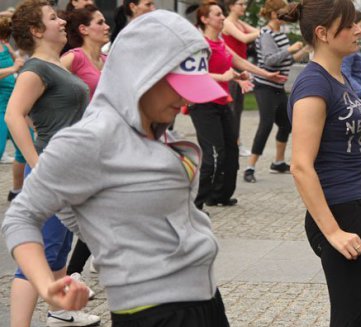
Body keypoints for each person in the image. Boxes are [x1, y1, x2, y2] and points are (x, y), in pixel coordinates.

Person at [3, 9, 233, 327]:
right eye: (178, 85)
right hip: (151, 313)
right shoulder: (92, 138)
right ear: (141, 74)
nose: (185, 101)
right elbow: (22, 215)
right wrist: (47, 287)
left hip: (205, 301)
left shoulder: (161, 130)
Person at [287, 0, 361, 324]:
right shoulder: (313, 84)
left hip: (360, 207)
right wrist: (333, 232)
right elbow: (300, 165)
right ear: (323, 33)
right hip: (338, 212)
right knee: (353, 317)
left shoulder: (341, 79)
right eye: (349, 23)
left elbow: (350, 154)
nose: (358, 29)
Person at [4, 1, 99, 326]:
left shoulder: (54, 65)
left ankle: (61, 313)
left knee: (57, 249)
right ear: (36, 30)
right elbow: (13, 115)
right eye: (53, 17)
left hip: (68, 170)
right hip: (51, 172)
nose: (62, 22)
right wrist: (38, 162)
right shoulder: (36, 69)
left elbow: (35, 118)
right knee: (38, 257)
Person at [189, 1, 285, 209]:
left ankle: (220, 195)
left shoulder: (221, 43)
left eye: (222, 14)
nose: (222, 17)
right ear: (204, 19)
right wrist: (222, 76)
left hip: (222, 103)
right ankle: (196, 205)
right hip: (203, 105)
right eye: (217, 15)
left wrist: (264, 74)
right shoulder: (199, 44)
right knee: (214, 155)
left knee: (231, 152)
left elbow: (240, 62)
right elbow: (196, 73)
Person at [60, 3, 109, 291]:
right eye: (100, 22)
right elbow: (45, 86)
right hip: (78, 146)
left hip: (104, 144)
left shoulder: (106, 58)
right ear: (83, 29)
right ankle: (74, 272)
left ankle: (80, 268)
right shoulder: (73, 58)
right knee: (93, 214)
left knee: (103, 211)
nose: (106, 26)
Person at [243, 0, 310, 183]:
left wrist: (304, 49)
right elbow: (269, 61)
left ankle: (278, 162)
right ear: (273, 14)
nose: (287, 15)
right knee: (266, 124)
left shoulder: (280, 33)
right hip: (265, 86)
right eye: (283, 12)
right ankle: (250, 167)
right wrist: (289, 50)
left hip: (278, 87)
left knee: (286, 123)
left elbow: (287, 61)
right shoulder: (266, 34)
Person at [222, 0, 260, 157]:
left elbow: (255, 32)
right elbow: (244, 38)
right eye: (240, 4)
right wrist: (267, 30)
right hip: (230, 69)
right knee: (231, 109)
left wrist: (264, 31)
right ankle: (230, 143)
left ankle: (235, 142)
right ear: (231, 6)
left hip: (241, 69)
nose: (244, 7)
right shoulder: (227, 22)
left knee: (238, 109)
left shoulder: (240, 22)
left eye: (244, 4)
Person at [0, 16, 28, 203]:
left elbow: (17, 58)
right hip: (1, 107)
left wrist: (17, 58)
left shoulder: (3, 45)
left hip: (13, 105)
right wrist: (13, 68)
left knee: (25, 149)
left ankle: (18, 191)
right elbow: (11, 67)